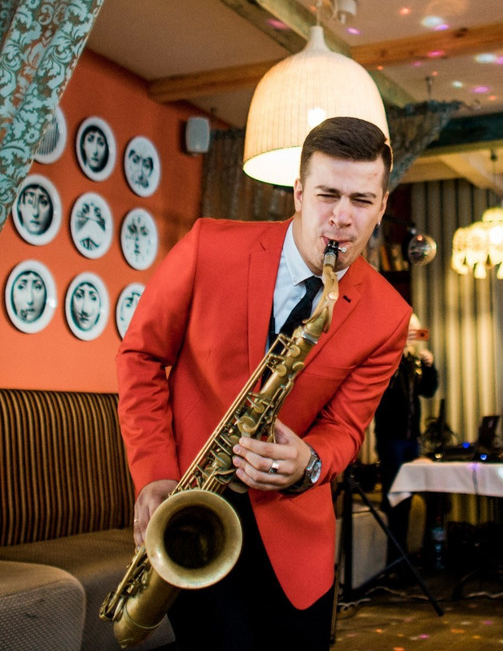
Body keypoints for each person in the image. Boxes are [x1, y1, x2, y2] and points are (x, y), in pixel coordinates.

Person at [117, 116, 411, 651]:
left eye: (362, 200)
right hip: (193, 512)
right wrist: (154, 474)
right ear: (298, 192)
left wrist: (310, 463)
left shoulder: (389, 316)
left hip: (295, 544)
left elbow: (345, 428)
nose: (342, 217)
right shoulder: (208, 245)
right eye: (327, 195)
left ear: (382, 205)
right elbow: (141, 357)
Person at [374, 313, 438, 554]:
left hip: (411, 439)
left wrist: (430, 368)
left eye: (416, 330)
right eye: (409, 329)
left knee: (408, 496)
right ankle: (392, 557)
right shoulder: (388, 359)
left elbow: (428, 391)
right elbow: (384, 389)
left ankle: (402, 556)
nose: (413, 335)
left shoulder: (414, 362)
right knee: (394, 496)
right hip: (391, 438)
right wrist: (397, 351)